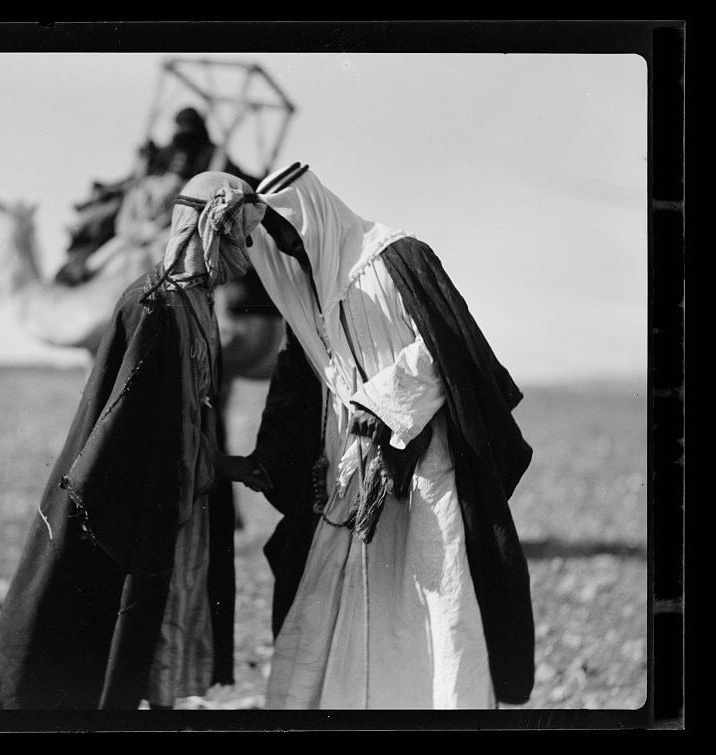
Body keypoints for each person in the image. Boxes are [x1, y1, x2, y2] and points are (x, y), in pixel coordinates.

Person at [229, 163, 535, 709]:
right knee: (334, 602)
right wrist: (276, 461)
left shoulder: (399, 256)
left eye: (288, 231)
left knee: (438, 601)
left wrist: (383, 400)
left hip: (425, 468)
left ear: (315, 217)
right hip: (352, 473)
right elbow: (302, 389)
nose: (286, 247)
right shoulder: (308, 300)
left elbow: (450, 346)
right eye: (274, 239)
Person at [0, 171, 270, 710]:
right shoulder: (149, 307)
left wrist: (225, 467)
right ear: (204, 231)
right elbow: (121, 430)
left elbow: (193, 417)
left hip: (186, 508)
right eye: (236, 239)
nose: (244, 257)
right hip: (137, 509)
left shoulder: (200, 306)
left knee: (162, 637)